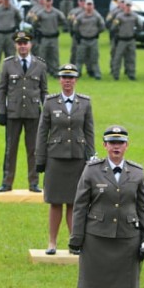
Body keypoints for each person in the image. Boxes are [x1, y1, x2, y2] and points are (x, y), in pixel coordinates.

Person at [69, 126, 144, 288]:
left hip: (128, 239)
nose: (116, 147)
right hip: (96, 239)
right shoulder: (92, 171)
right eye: (112, 143)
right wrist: (76, 238)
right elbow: (80, 206)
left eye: (120, 143)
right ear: (105, 146)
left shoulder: (137, 173)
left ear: (127, 145)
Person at [35, 64, 94, 253]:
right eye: (64, 78)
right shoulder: (50, 102)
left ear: (75, 80)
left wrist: (91, 157)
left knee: (74, 202)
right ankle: (51, 242)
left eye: (71, 78)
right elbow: (42, 132)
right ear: (59, 80)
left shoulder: (84, 103)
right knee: (55, 201)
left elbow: (89, 132)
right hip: (56, 158)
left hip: (77, 157)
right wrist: (40, 158)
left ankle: (73, 241)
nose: (67, 81)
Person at [0, 31, 47, 192]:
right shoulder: (8, 64)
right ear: (15, 45)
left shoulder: (40, 65)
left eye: (25, 43)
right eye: (20, 43)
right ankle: (7, 182)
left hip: (33, 113)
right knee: (10, 149)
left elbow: (43, 91)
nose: (23, 46)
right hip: (13, 113)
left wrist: (47, 113)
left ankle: (34, 182)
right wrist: (2, 112)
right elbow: (1, 90)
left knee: (34, 149)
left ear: (30, 44)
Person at [26, 0, 65, 77]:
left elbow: (63, 20)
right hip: (40, 36)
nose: (45, 1)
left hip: (53, 36)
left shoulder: (56, 12)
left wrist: (56, 25)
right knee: (41, 54)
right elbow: (32, 22)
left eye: (48, 0)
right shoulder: (36, 10)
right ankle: (40, 71)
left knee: (54, 55)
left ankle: (54, 70)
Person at [71, 0, 105, 79]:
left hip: (93, 40)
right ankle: (77, 73)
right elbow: (75, 27)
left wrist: (96, 33)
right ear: (85, 6)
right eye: (88, 5)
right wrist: (79, 34)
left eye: (91, 5)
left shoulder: (97, 16)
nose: (89, 6)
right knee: (79, 58)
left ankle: (97, 74)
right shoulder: (80, 16)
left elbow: (102, 26)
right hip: (83, 40)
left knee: (94, 58)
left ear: (93, 6)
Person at [109, 0, 138, 81]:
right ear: (124, 6)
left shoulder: (134, 16)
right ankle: (116, 74)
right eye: (127, 6)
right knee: (118, 57)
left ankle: (131, 74)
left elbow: (139, 26)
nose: (128, 8)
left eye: (129, 6)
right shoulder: (119, 16)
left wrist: (135, 33)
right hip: (121, 40)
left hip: (131, 40)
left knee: (131, 57)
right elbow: (113, 27)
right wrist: (116, 35)